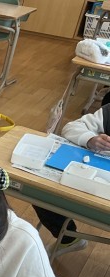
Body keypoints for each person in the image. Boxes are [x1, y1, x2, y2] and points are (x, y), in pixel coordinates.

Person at [33, 99, 110, 257]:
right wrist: (91, 139)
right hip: (93, 179)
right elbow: (71, 127)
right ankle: (68, 240)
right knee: (38, 189)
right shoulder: (108, 112)